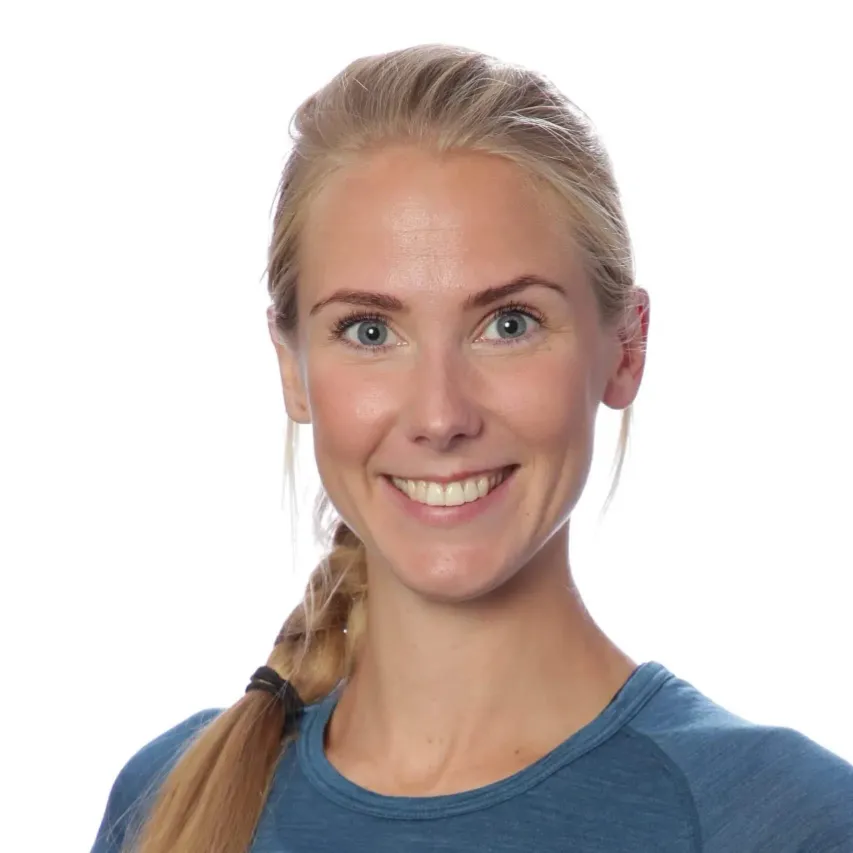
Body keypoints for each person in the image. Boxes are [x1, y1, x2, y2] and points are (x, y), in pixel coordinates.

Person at [90, 43, 853, 853]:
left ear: (625, 348)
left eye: (508, 324)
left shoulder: (781, 821)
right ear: (292, 368)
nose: (440, 414)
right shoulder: (170, 799)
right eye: (369, 331)